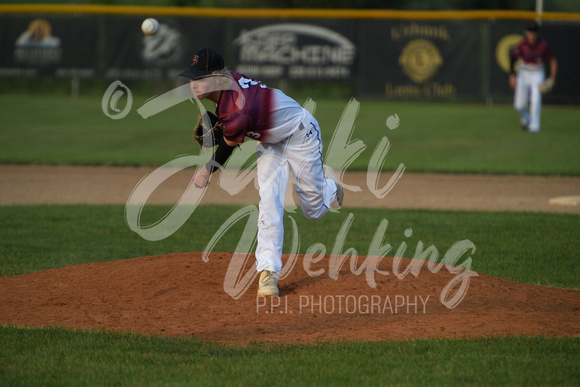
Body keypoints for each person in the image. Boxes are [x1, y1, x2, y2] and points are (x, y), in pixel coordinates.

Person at [179, 46, 344, 297]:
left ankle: (330, 186)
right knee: (269, 198)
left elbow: (227, 148)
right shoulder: (226, 84)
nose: (193, 83)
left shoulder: (237, 108)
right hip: (269, 139)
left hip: (300, 133)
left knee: (314, 210)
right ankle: (268, 272)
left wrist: (205, 172)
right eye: (191, 77)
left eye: (199, 78)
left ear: (216, 78)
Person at [509, 21, 557, 133]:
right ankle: (525, 118)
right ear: (526, 33)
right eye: (530, 32)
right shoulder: (521, 45)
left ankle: (534, 126)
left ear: (537, 33)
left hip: (537, 72)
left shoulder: (543, 46)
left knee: (536, 99)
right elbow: (513, 57)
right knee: (518, 105)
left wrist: (552, 77)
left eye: (534, 32)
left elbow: (552, 60)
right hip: (523, 72)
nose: (532, 35)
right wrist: (512, 75)